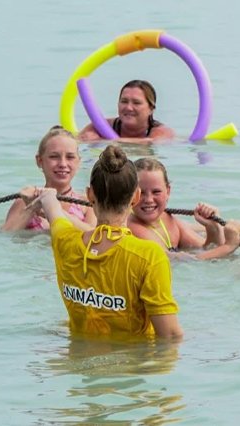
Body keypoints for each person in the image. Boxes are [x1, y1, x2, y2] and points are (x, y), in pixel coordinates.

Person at [33, 144, 183, 340]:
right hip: (130, 367)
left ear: (90, 195)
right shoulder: (149, 256)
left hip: (77, 365)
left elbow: (54, 213)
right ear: (136, 196)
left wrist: (46, 197)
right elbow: (170, 337)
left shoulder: (65, 241)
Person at [128, 157, 240, 260]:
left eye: (156, 192)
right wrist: (229, 246)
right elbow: (187, 260)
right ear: (129, 194)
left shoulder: (168, 220)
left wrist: (212, 227)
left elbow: (207, 249)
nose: (149, 199)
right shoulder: (132, 228)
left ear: (168, 191)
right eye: (141, 192)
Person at [2, 126, 95, 232]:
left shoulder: (87, 204)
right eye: (54, 157)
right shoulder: (25, 201)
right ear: (39, 161)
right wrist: (32, 208)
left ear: (78, 162)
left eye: (70, 157)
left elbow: (95, 237)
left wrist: (47, 209)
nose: (63, 164)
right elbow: (5, 235)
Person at [77, 80, 175, 142]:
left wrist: (102, 141)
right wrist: (86, 139)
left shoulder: (162, 132)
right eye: (124, 101)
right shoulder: (100, 126)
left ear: (151, 109)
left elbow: (148, 142)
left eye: (136, 103)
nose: (128, 107)